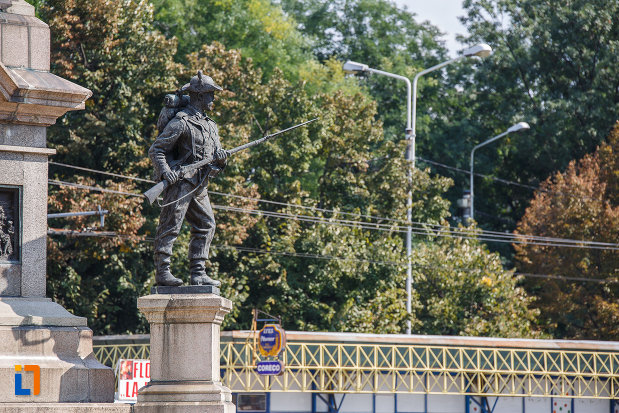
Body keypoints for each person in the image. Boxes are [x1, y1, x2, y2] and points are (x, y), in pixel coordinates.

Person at [149, 71, 228, 287]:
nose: (213, 99)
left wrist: (221, 160)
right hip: (180, 183)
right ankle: (162, 272)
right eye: (210, 94)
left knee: (206, 224)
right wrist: (166, 172)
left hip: (200, 185)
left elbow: (215, 159)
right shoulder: (181, 122)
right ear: (199, 96)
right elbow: (157, 150)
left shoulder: (211, 126)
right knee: (170, 226)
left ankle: (198, 273)